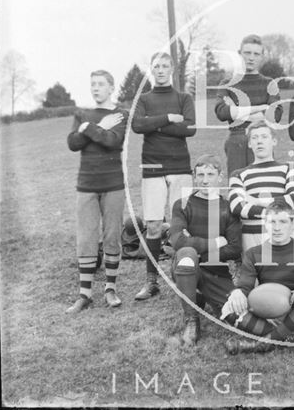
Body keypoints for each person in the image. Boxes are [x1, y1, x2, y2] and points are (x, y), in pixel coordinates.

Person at [221, 200, 294, 354]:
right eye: (272, 222)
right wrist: (237, 292)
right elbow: (245, 287)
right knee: (228, 307)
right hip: (269, 311)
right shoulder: (254, 253)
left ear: (292, 224)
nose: (277, 228)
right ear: (265, 225)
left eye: (283, 222)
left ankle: (264, 342)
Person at [131, 52, 196, 300]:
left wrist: (153, 125)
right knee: (154, 225)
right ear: (151, 69)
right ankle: (151, 282)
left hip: (180, 166)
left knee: (182, 225)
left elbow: (190, 128)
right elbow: (137, 125)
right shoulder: (144, 99)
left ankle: (188, 276)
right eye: (156, 66)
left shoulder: (183, 97)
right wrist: (168, 119)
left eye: (165, 66)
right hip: (152, 167)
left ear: (172, 68)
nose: (160, 70)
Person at [66, 70, 127, 313]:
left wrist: (87, 129)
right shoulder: (81, 113)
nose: (95, 88)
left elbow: (114, 142)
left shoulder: (121, 113)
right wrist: (98, 127)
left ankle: (110, 289)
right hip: (86, 185)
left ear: (111, 88)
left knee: (112, 236)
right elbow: (72, 143)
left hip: (113, 184)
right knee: (86, 238)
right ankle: (85, 295)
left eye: (101, 84)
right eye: (92, 84)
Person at [169, 155, 242, 346]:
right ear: (194, 176)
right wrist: (217, 241)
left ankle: (202, 295)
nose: (205, 180)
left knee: (237, 318)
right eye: (200, 174)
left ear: (220, 176)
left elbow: (234, 248)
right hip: (186, 265)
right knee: (186, 255)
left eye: (210, 174)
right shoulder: (182, 204)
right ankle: (191, 320)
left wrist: (197, 247)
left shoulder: (227, 208)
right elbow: (178, 241)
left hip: (216, 272)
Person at [228, 120, 294, 252]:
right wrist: (279, 214)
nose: (259, 141)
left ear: (274, 141)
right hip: (253, 236)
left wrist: (257, 201)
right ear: (250, 144)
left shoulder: (288, 168)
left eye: (264, 137)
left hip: (284, 234)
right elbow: (237, 207)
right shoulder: (238, 174)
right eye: (254, 138)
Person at [215, 34, 282, 176]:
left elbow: (275, 115)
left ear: (262, 56)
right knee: (237, 189)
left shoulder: (270, 83)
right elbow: (222, 112)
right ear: (240, 53)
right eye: (247, 53)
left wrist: (237, 112)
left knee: (264, 187)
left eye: (256, 54)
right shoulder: (227, 83)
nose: (251, 57)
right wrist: (260, 108)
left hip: (261, 140)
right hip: (236, 142)